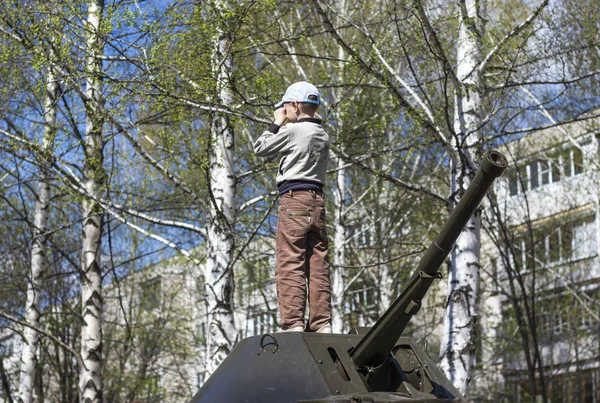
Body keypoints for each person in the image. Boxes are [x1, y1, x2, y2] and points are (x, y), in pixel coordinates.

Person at [253, 81, 332, 333]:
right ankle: (322, 323)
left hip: (294, 199)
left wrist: (276, 123)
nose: (284, 111)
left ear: (295, 106)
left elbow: (260, 148)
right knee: (317, 263)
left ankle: (293, 323)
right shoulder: (321, 134)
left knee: (290, 260)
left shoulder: (294, 131)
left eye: (286, 106)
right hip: (317, 201)